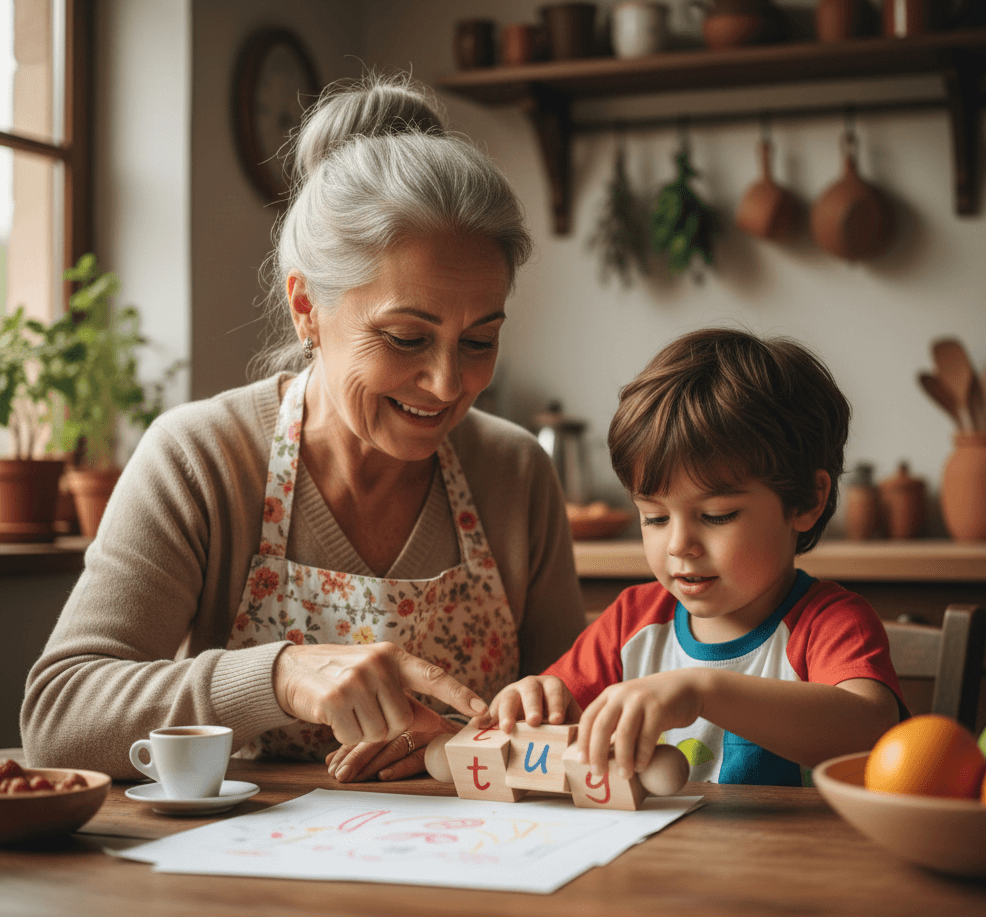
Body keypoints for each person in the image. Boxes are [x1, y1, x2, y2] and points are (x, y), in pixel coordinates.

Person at [20, 73, 585, 781]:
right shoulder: (202, 458)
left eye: (479, 340)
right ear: (306, 308)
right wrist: (281, 674)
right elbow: (58, 720)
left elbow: (572, 710)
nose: (448, 384)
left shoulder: (516, 472)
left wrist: (498, 733)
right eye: (407, 338)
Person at [479, 328, 905, 786]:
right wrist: (536, 702)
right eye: (655, 518)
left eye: (717, 516)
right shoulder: (630, 624)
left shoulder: (830, 625)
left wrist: (703, 691)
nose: (680, 545)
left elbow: (871, 732)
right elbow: (557, 725)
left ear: (806, 501)